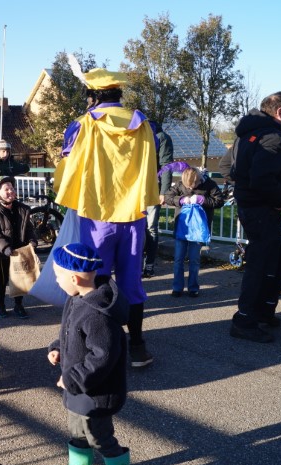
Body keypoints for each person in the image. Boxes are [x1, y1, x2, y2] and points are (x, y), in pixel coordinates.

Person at [55, 66, 159, 367]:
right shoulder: (142, 124)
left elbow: (66, 167)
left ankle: (96, 345)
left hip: (97, 214)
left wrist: (64, 191)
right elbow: (150, 166)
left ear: (92, 96)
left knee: (94, 279)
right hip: (133, 215)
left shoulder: (83, 124)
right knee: (132, 282)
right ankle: (137, 346)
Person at [47, 243, 130, 465]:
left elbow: (103, 356)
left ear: (74, 278)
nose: (55, 280)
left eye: (57, 275)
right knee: (77, 432)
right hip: (79, 391)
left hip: (95, 393)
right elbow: (70, 332)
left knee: (99, 437)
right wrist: (58, 348)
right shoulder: (77, 300)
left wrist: (72, 377)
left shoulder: (97, 314)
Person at [229, 91, 281, 343]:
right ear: (280, 112)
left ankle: (262, 312)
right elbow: (261, 177)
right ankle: (246, 319)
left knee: (271, 260)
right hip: (262, 208)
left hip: (251, 206)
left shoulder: (247, 135)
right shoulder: (272, 138)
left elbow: (229, 167)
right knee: (260, 265)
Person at [164, 166, 224, 297]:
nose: (190, 188)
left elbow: (219, 201)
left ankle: (193, 288)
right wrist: (180, 200)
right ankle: (177, 287)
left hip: (198, 229)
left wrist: (203, 200)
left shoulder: (209, 184)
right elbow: (168, 196)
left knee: (194, 259)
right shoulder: (180, 184)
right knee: (178, 259)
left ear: (198, 180)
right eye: (188, 186)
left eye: (193, 185)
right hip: (182, 228)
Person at [0, 176, 38, 318]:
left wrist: (32, 241)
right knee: (1, 281)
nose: (11, 191)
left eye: (12, 188)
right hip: (2, 253)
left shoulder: (22, 209)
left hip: (20, 251)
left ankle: (18, 305)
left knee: (20, 280)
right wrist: (5, 248)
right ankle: (1, 305)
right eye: (6, 189)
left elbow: (29, 229)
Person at [143, 122, 174, 278]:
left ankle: (149, 264)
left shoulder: (162, 137)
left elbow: (166, 165)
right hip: (135, 190)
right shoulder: (136, 133)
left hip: (153, 190)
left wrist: (164, 192)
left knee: (150, 228)